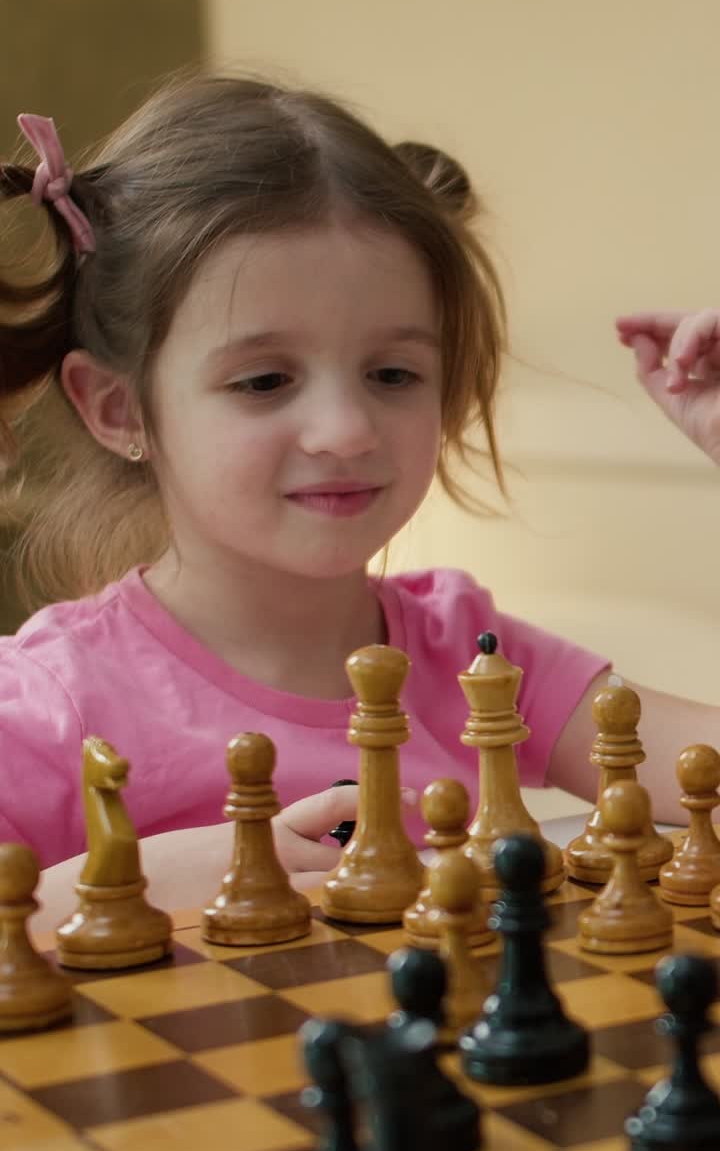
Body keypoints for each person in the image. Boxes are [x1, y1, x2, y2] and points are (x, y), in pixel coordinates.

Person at [0, 76, 716, 925]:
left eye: (393, 374)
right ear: (120, 410)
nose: (345, 429)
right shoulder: (49, 703)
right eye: (264, 380)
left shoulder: (470, 653)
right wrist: (121, 882)